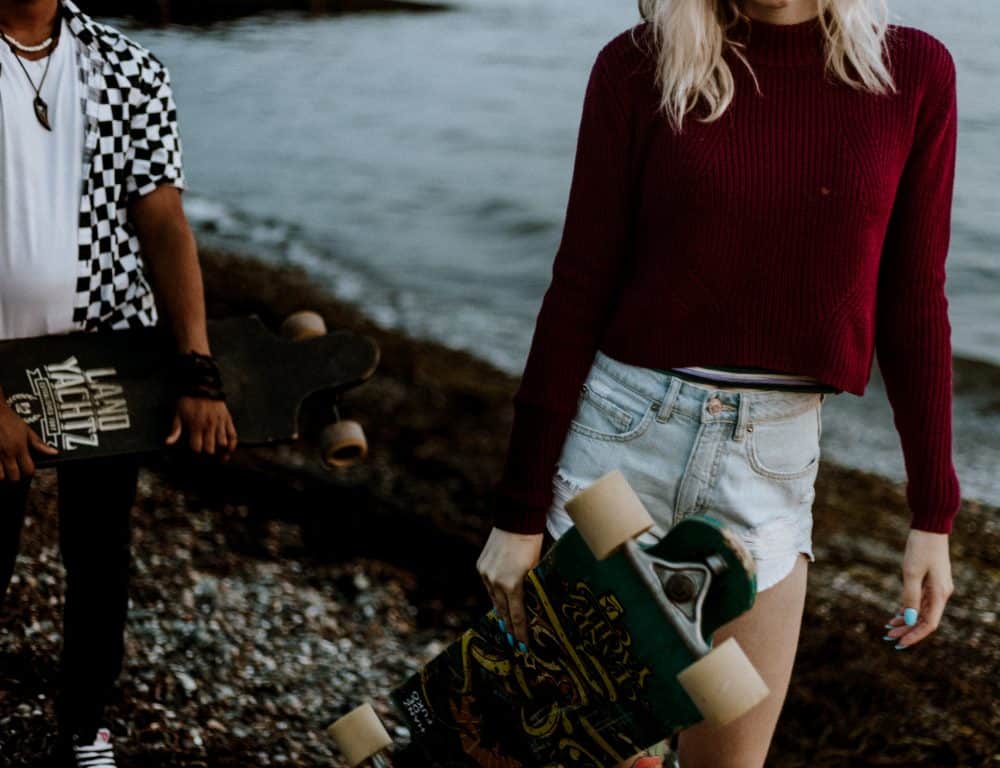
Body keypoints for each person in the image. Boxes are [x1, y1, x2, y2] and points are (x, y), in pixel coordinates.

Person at [478, 0, 959, 766]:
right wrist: (519, 513)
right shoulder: (638, 64)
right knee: (592, 753)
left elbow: (913, 298)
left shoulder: (913, 72)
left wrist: (933, 510)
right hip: (618, 459)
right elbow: (578, 287)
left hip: (768, 472)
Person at [0, 0, 237, 764]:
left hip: (105, 356)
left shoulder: (129, 68)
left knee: (99, 554)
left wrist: (196, 367)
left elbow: (162, 221)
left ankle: (84, 722)